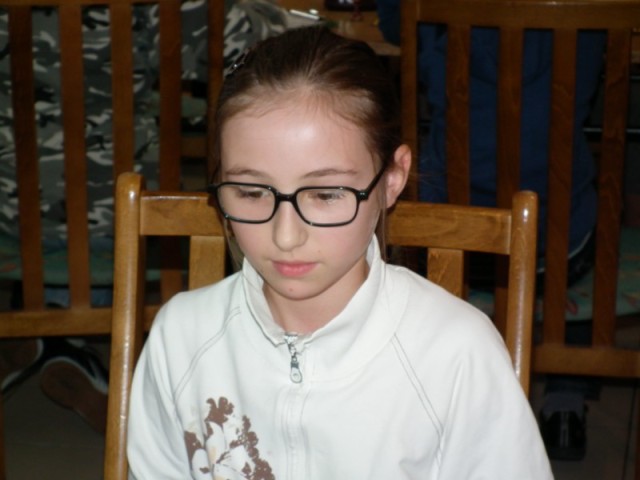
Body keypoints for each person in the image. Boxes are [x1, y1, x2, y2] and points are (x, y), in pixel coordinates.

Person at [126, 26, 552, 479]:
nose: (286, 236)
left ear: (392, 179)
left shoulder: (457, 355)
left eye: (326, 194)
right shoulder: (180, 339)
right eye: (251, 192)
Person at [0, 0, 287, 432]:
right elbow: (245, 47)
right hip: (122, 212)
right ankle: (72, 345)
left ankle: (44, 333)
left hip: (10, 213)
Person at [377, 0, 606, 461]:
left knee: (430, 194)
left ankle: (431, 395)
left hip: (449, 243)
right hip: (560, 248)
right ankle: (564, 399)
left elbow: (392, 25)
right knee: (587, 208)